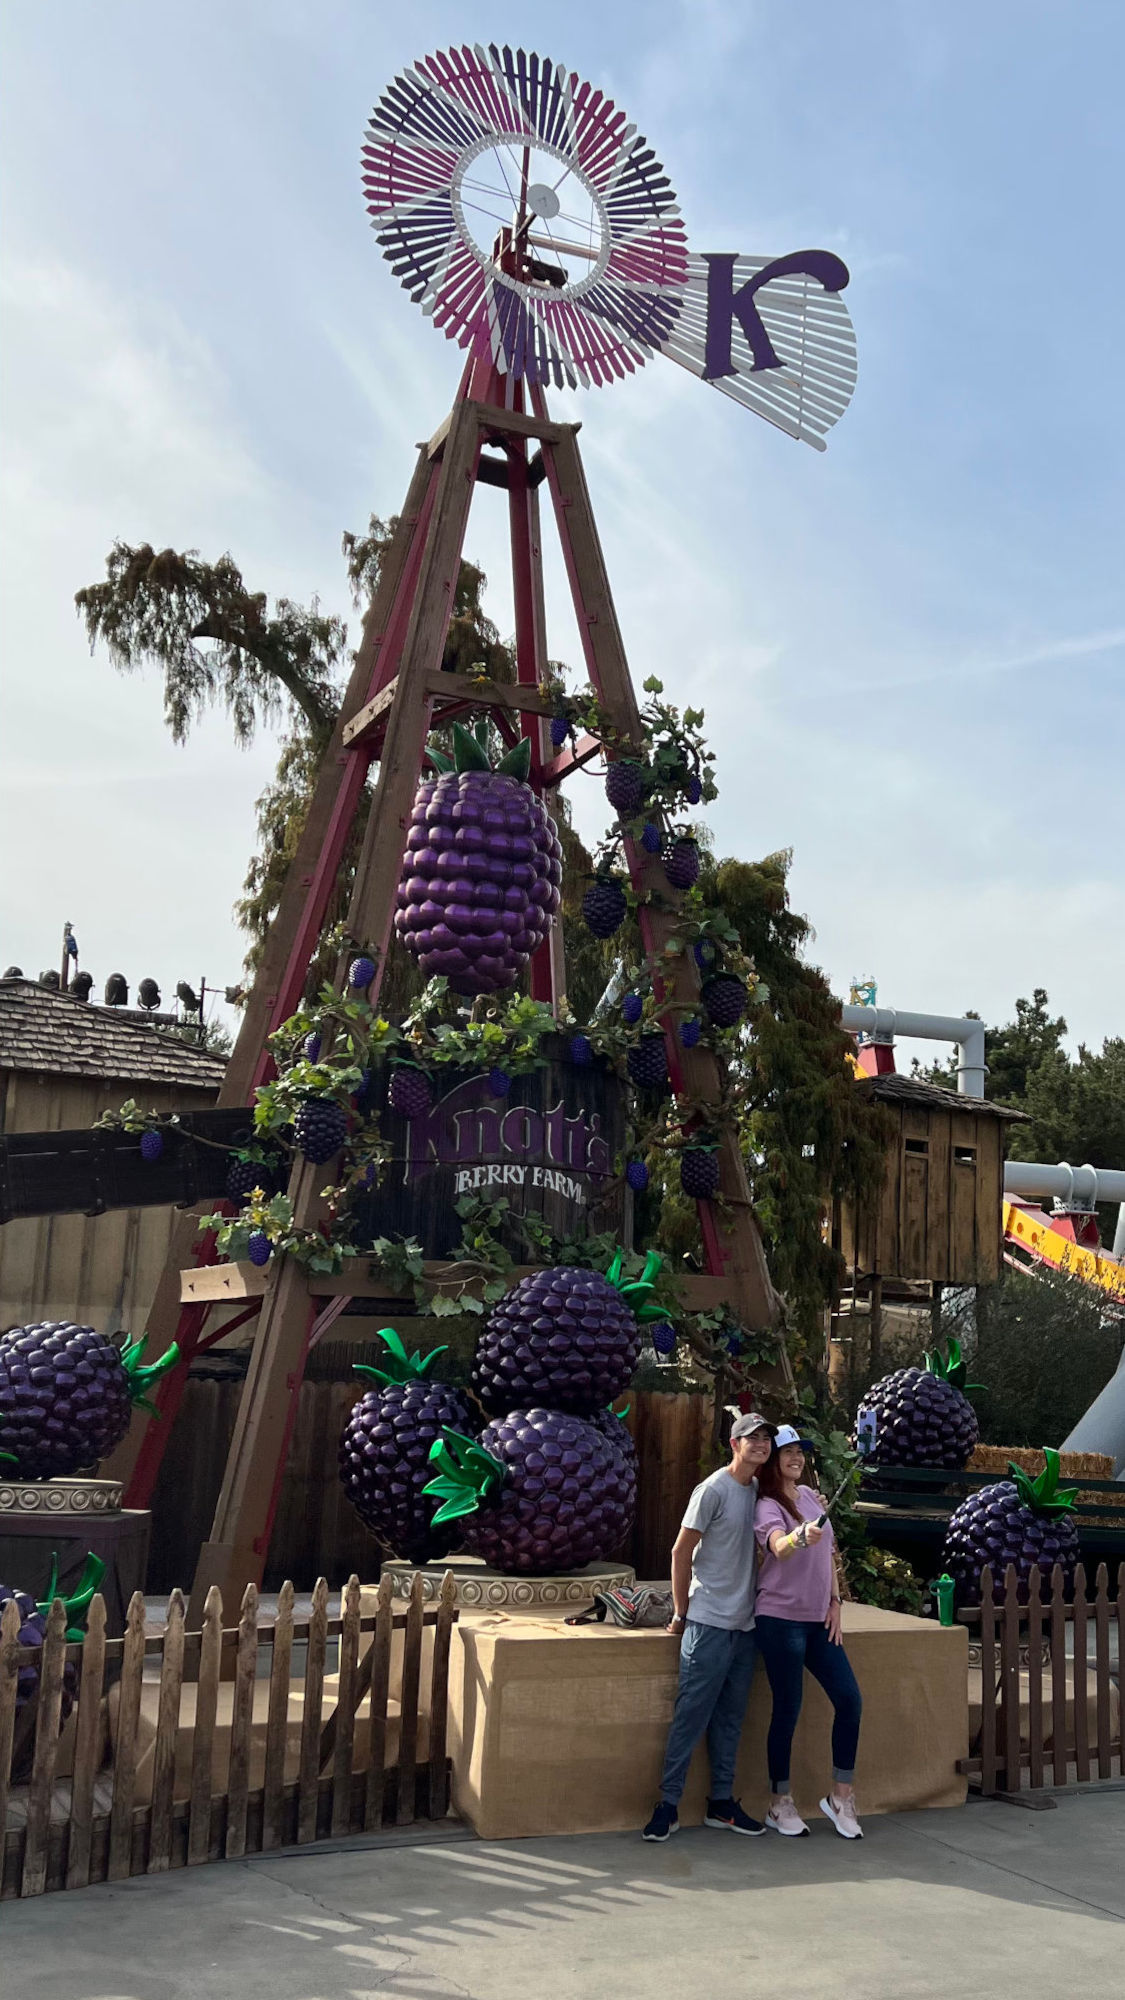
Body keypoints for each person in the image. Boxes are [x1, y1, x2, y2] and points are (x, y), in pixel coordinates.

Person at [642, 1412, 776, 1842]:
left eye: (765, 1438)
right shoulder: (713, 1489)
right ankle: (667, 1805)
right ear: (734, 1445)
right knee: (690, 1717)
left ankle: (721, 1803)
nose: (759, 1444)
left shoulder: (759, 1491)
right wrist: (681, 1611)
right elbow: (682, 1551)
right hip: (708, 1623)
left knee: (731, 1719)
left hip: (746, 1626)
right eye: (750, 1438)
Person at [753, 1424, 863, 1839]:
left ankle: (840, 1797)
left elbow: (830, 1554)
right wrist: (799, 1536)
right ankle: (779, 1803)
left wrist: (835, 1603)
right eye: (787, 1452)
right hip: (780, 1620)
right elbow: (778, 1547)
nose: (796, 1458)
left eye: (800, 1451)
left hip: (819, 1622)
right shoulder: (766, 1505)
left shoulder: (812, 1497)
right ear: (773, 1460)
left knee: (850, 1700)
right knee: (788, 1709)